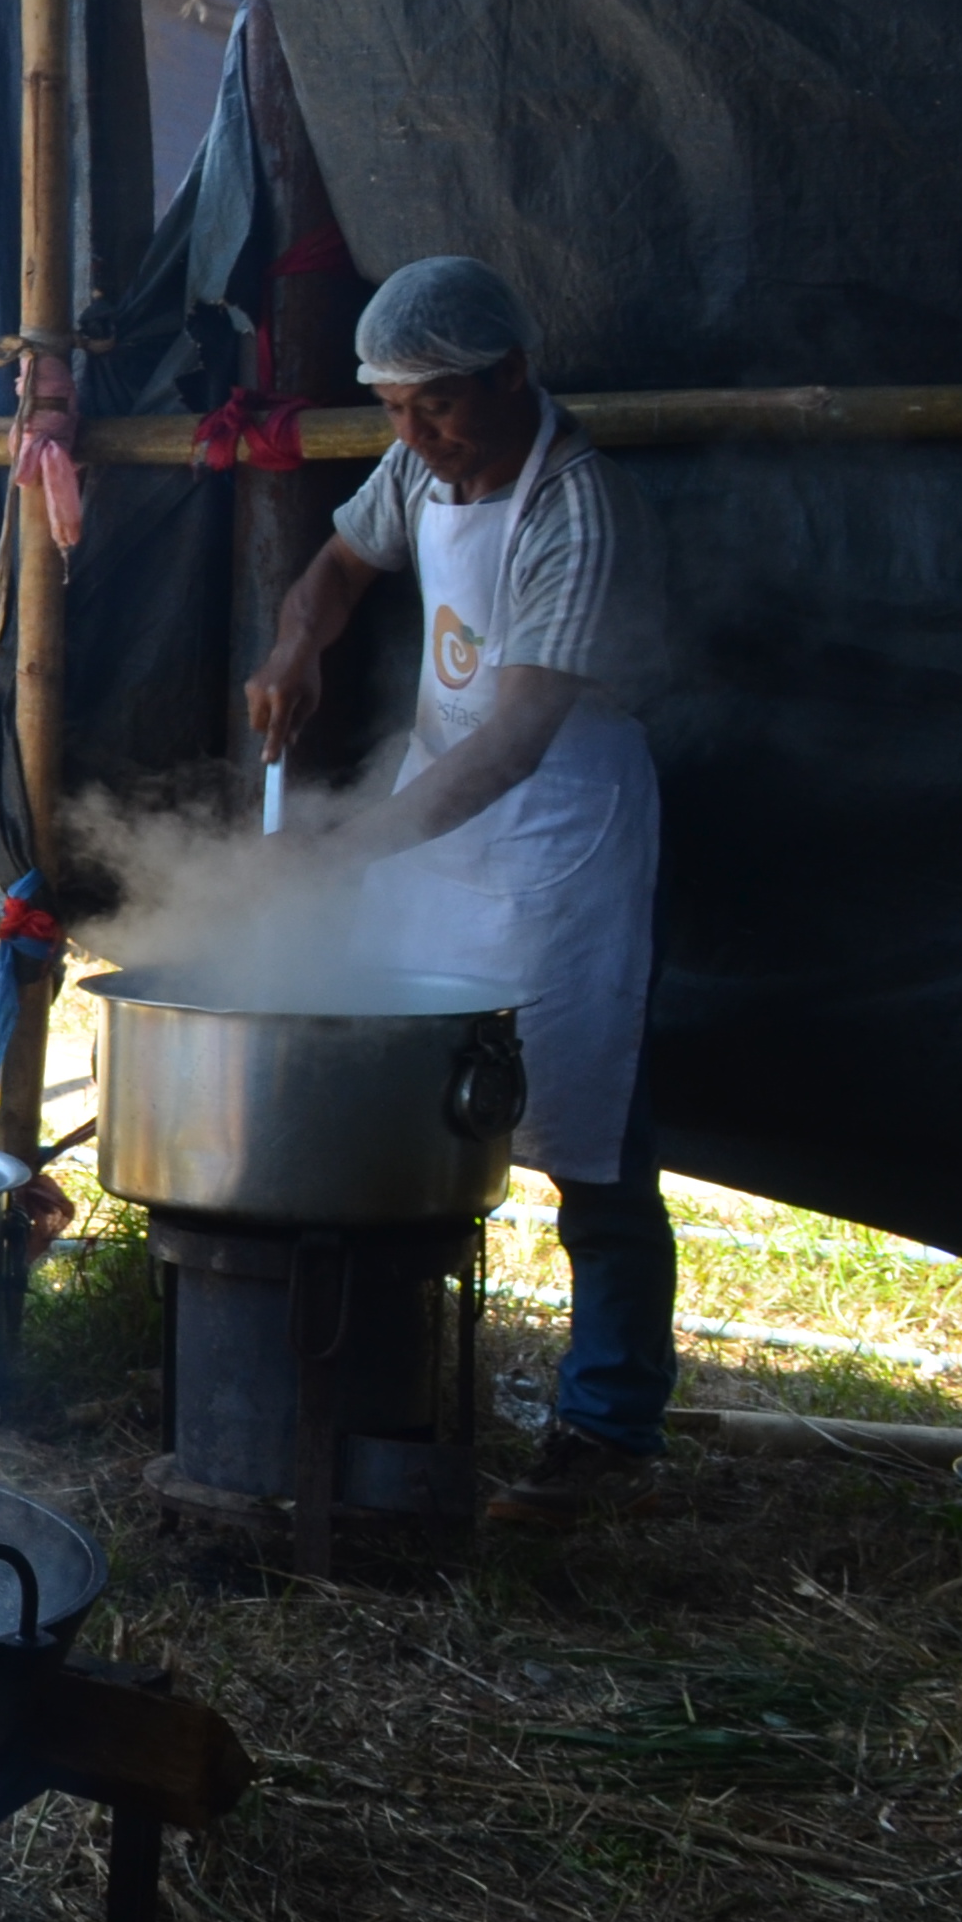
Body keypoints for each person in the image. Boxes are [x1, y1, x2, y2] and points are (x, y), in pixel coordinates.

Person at [244, 256, 672, 1525]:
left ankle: (607, 1431)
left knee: (586, 1143)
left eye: (434, 403)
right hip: (432, 823)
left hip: (555, 835)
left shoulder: (576, 509)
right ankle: (395, 1383)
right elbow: (331, 572)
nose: (413, 432)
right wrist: (292, 648)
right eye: (390, 406)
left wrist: (349, 846)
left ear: (509, 373)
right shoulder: (420, 466)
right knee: (404, 1111)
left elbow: (518, 735)